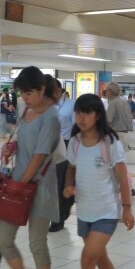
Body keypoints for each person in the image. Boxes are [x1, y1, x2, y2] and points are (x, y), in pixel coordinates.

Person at [53, 93, 134, 269]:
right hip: (85, 211)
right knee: (99, 257)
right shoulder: (75, 142)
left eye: (86, 113)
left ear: (98, 114)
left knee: (87, 259)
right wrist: (68, 186)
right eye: (78, 113)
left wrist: (127, 208)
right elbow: (71, 168)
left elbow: (122, 176)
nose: (81, 118)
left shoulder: (110, 143)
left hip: (107, 211)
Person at [0, 66, 60, 269]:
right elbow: (23, 142)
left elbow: (40, 155)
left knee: (37, 243)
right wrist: (11, 146)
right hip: (18, 185)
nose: (24, 98)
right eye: (22, 94)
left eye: (29, 93)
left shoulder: (51, 116)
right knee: (3, 240)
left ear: (42, 90)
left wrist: (19, 184)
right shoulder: (25, 110)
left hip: (40, 186)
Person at [49, 77, 76, 233]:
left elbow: (76, 128)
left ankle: (58, 219)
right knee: (51, 184)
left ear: (59, 91)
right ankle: (54, 214)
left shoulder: (71, 105)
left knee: (60, 183)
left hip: (66, 146)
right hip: (50, 145)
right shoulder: (47, 106)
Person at [105, 82, 133, 150]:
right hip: (125, 135)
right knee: (121, 158)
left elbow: (108, 120)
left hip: (116, 135)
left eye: (106, 90)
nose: (105, 92)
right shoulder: (125, 102)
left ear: (110, 91)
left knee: (114, 159)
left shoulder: (113, 103)